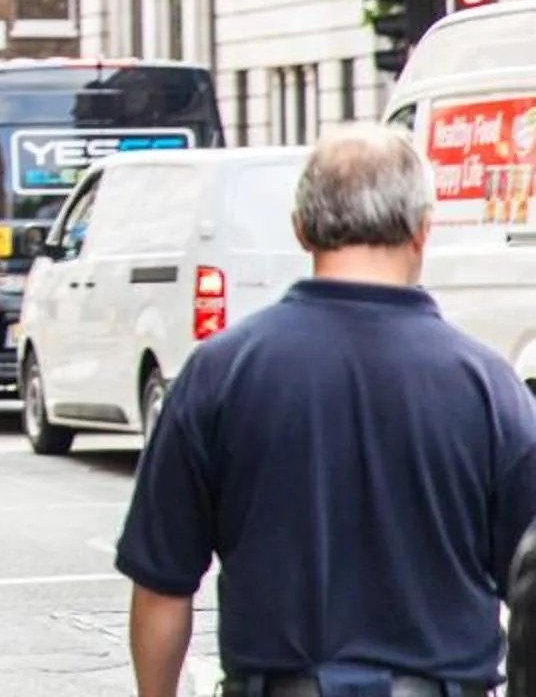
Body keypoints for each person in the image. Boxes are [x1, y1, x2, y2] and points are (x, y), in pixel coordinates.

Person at [118, 128, 536, 697]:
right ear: (421, 230)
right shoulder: (490, 388)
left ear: (300, 228)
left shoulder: (220, 374)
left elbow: (161, 588)